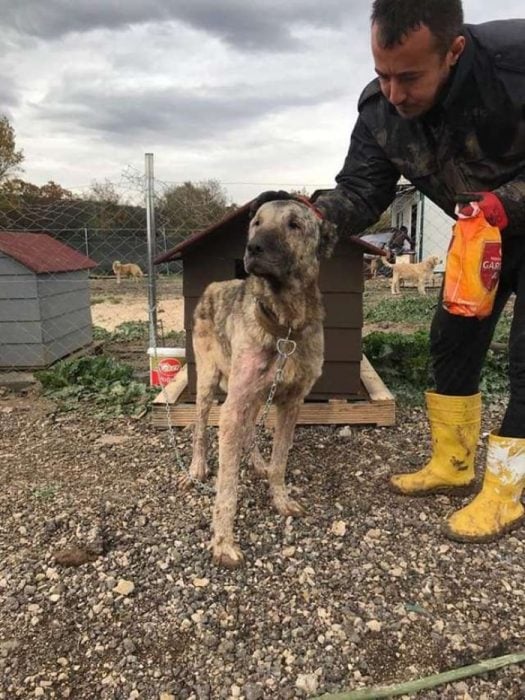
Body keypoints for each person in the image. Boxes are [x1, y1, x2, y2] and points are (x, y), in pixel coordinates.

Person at [254, 0, 525, 542]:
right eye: (383, 73)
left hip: (506, 214)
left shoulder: (515, 63)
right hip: (479, 238)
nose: (395, 92)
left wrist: (505, 201)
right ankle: (452, 465)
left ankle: (506, 492)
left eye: (409, 77)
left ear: (454, 50)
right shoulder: (380, 111)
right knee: (452, 341)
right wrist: (311, 219)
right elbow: (361, 191)